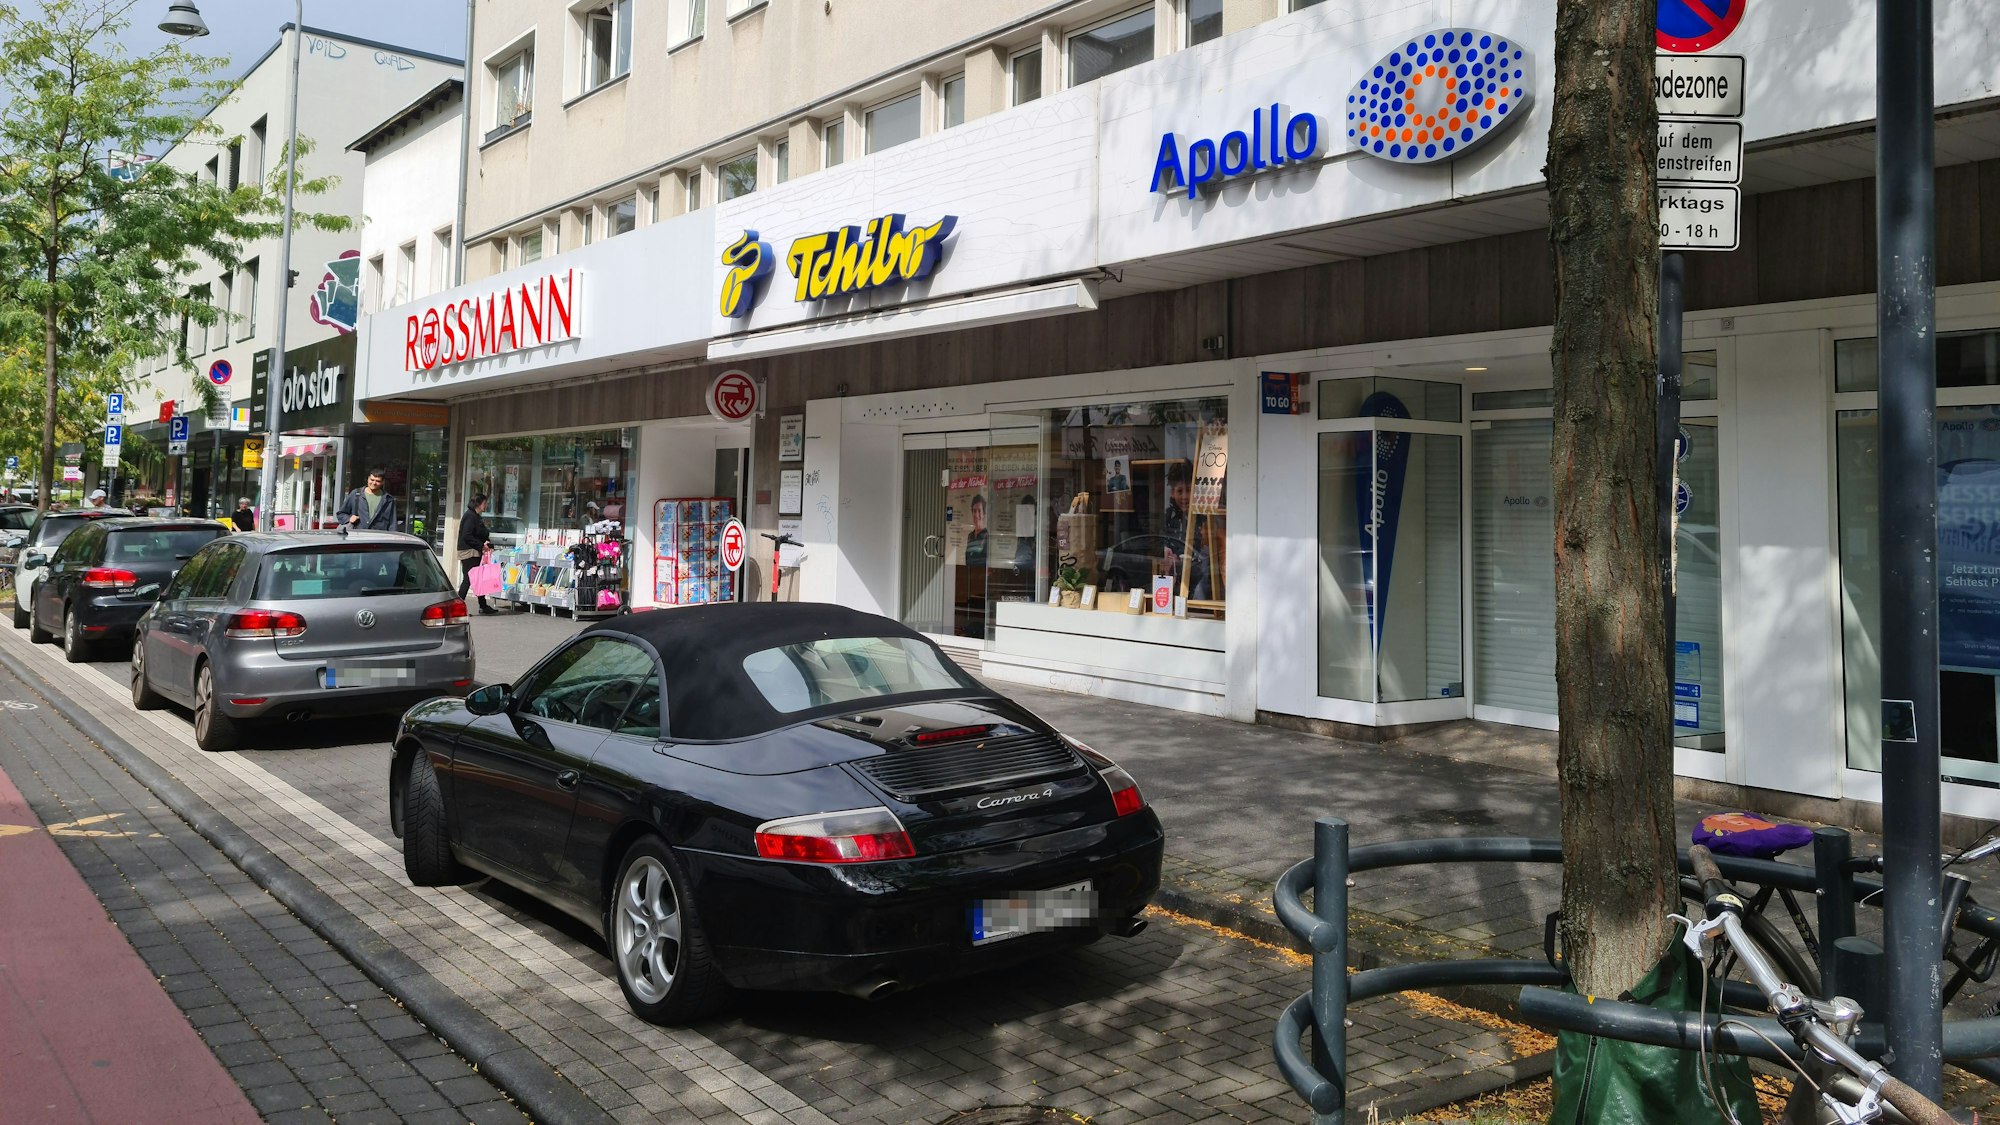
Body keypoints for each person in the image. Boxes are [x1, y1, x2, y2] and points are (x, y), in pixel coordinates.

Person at [1161, 461, 1211, 600]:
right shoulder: (1168, 517)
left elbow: (1209, 555)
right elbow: (1159, 544)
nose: (1184, 496)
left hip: (1200, 579)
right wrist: (1166, 552)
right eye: (1179, 491)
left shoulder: (1205, 518)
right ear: (1172, 493)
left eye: (1188, 490)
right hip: (1175, 579)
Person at [457, 494, 497, 615]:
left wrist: (486, 541)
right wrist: (481, 546)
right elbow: (467, 535)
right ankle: (457, 608)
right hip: (469, 552)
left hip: (474, 551)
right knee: (468, 579)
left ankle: (483, 605)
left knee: (478, 578)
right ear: (478, 504)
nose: (486, 505)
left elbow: (478, 533)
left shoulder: (475, 516)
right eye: (485, 503)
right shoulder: (470, 516)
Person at [335, 467, 398, 532]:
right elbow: (341, 514)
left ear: (382, 482)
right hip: (358, 534)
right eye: (372, 480)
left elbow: (392, 523)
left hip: (379, 535)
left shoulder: (388, 499)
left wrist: (392, 536)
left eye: (378, 481)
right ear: (368, 479)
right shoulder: (356, 494)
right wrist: (349, 519)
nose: (374, 483)